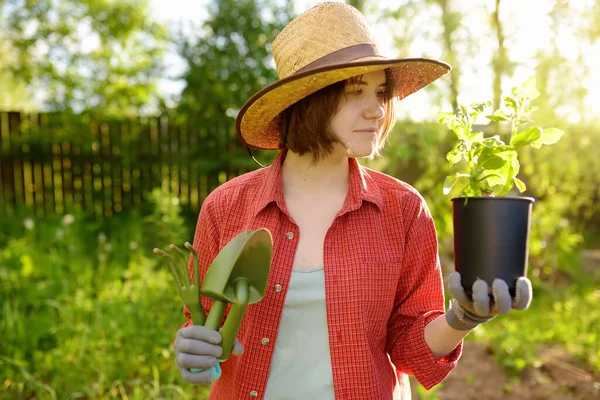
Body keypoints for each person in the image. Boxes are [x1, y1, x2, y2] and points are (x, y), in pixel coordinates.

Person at [173, 2, 532, 399]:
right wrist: (193, 348)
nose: (377, 109)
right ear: (307, 101)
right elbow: (204, 327)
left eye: (381, 92)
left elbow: (411, 348)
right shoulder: (227, 207)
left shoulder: (403, 209)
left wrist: (462, 318)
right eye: (355, 92)